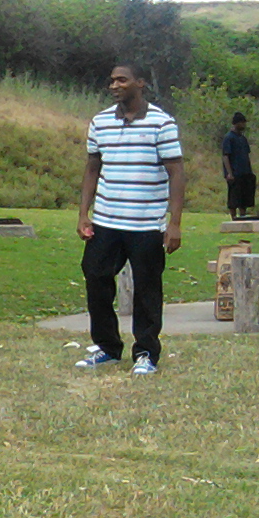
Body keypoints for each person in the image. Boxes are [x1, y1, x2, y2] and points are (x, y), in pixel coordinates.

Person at [76, 61, 184, 375]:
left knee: (147, 288)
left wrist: (174, 223)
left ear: (140, 83)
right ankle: (108, 347)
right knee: (95, 276)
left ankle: (146, 353)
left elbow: (176, 173)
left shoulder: (162, 123)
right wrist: (84, 214)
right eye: (112, 80)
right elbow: (92, 168)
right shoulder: (100, 122)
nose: (114, 86)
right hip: (107, 220)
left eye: (122, 80)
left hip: (146, 223)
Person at [220, 112, 256, 217]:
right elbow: (225, 156)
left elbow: (246, 155)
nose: (244, 125)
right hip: (235, 173)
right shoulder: (229, 138)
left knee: (244, 199)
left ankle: (243, 217)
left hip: (245, 172)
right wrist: (229, 173)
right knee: (234, 198)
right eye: (242, 123)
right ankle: (234, 218)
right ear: (236, 123)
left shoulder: (243, 138)